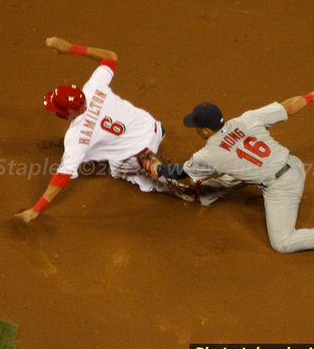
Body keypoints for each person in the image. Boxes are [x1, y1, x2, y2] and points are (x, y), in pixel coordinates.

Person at [145, 91, 314, 256]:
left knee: (283, 243)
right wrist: (312, 96)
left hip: (283, 187)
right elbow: (287, 107)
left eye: (196, 126)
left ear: (205, 130)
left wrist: (157, 168)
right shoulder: (246, 119)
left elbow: (179, 172)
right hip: (292, 163)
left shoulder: (209, 154)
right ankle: (208, 192)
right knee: (239, 167)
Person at [15, 37, 190, 224]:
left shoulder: (76, 138)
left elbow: (63, 175)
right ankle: (151, 157)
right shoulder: (93, 88)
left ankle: (164, 181)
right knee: (119, 139)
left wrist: (36, 209)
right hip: (151, 127)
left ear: (66, 113)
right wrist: (69, 48)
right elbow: (110, 57)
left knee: (117, 169)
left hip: (135, 156)